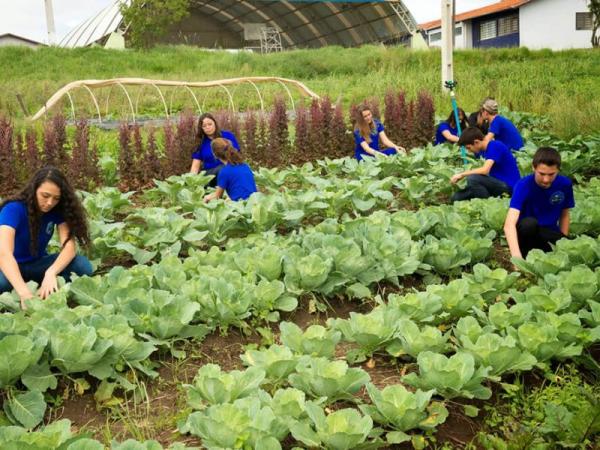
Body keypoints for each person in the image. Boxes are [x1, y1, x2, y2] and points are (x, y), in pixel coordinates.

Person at [0, 166, 93, 309]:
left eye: (56, 198)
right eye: (45, 196)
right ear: (34, 190)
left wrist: (51, 272)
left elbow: (69, 247)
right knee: (3, 283)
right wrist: (24, 293)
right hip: (7, 267)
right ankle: (25, 288)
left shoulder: (56, 211)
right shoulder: (13, 209)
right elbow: (4, 254)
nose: (50, 202)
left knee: (82, 266)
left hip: (36, 264)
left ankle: (43, 285)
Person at [504, 147, 574, 259]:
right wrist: (516, 258)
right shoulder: (523, 185)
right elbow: (509, 225)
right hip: (527, 234)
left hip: (548, 233)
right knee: (529, 224)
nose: (546, 179)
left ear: (558, 170)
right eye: (541, 174)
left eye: (551, 174)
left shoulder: (565, 184)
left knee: (574, 247)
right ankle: (526, 255)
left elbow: (564, 214)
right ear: (533, 167)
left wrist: (563, 241)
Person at [450, 127, 521, 202]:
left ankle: (486, 204)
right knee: (456, 198)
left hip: (509, 187)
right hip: (496, 183)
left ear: (476, 142)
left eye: (469, 148)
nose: (469, 151)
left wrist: (462, 174)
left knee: (473, 179)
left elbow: (485, 170)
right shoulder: (484, 149)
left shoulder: (495, 146)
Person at [190, 113, 240, 187]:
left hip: (229, 170)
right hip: (210, 175)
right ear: (201, 129)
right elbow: (195, 166)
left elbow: (236, 155)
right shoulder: (201, 142)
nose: (207, 127)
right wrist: (191, 183)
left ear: (215, 124)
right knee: (222, 169)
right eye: (204, 126)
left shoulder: (227, 136)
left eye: (210, 124)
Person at [203, 138, 257, 203]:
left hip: (241, 206)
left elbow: (217, 197)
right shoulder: (245, 165)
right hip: (254, 202)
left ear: (215, 154)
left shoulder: (224, 172)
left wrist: (207, 198)